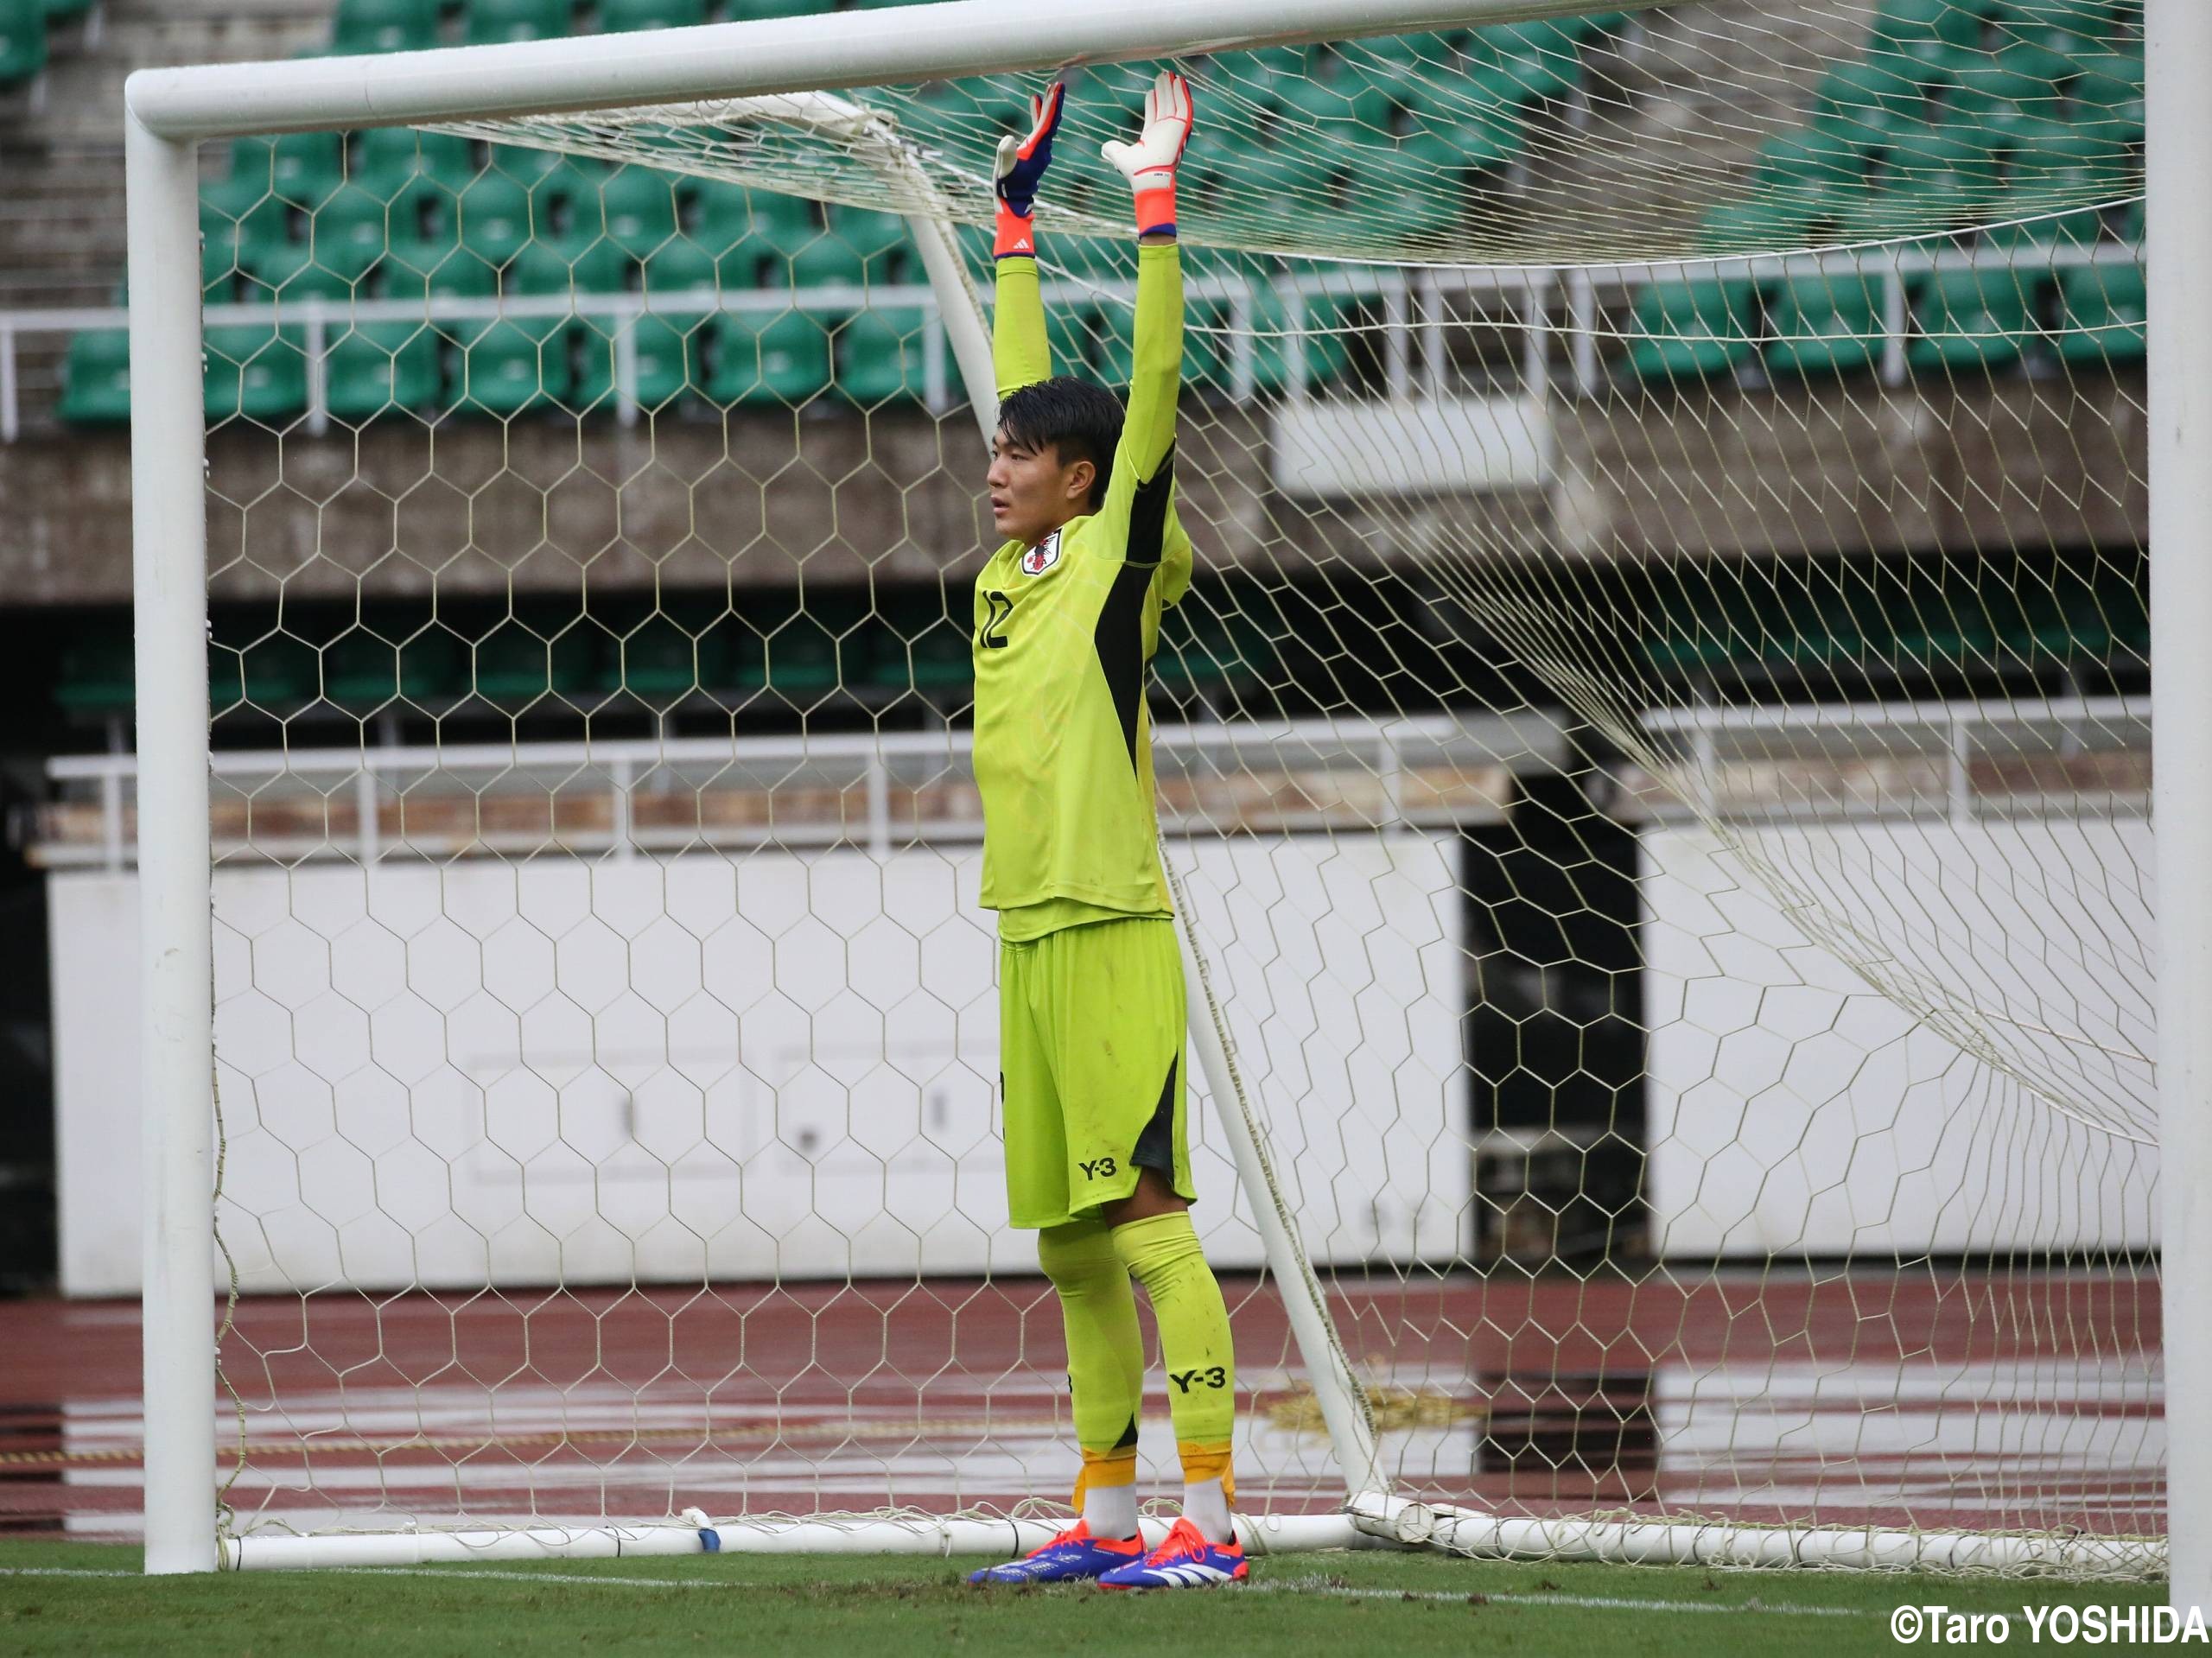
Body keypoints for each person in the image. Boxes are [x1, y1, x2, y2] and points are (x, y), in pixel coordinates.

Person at [963, 71, 1246, 1591]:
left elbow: (1145, 394)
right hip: (1024, 930)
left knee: (1148, 1225)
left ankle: (1212, 1525)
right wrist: (1011, 223)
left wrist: (1150, 209)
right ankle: (1109, 1515)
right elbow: (1033, 384)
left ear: (1086, 480)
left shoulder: (1123, 554)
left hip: (1115, 929)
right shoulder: (1010, 575)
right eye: (994, 447)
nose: (992, 462)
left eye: (1021, 452)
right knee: (1070, 1247)